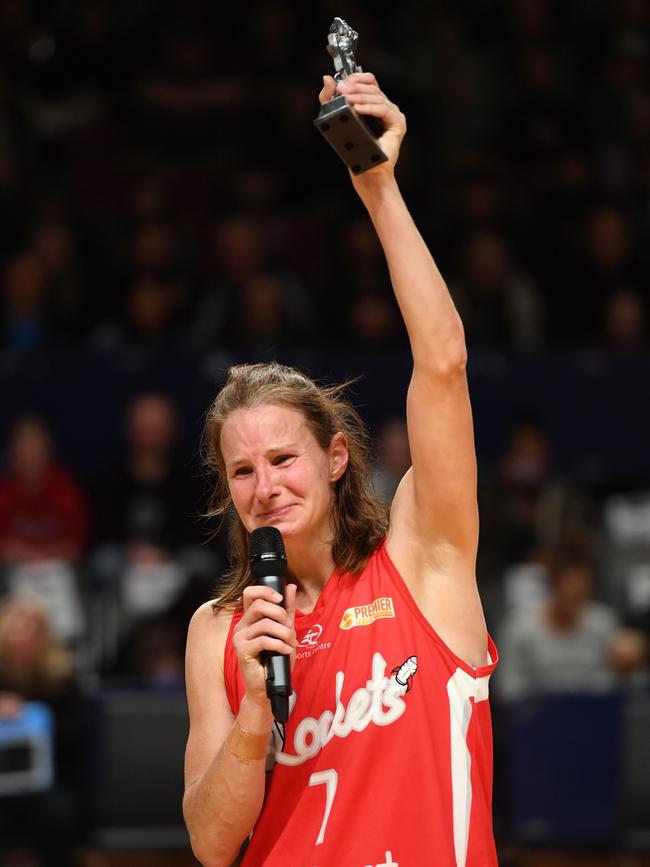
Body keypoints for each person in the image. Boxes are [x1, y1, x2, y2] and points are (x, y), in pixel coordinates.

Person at [183, 71, 498, 867]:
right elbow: (214, 845)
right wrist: (256, 711)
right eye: (244, 470)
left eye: (284, 457)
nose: (267, 485)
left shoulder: (425, 559)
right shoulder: (222, 631)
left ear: (335, 456)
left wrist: (378, 188)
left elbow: (445, 364)